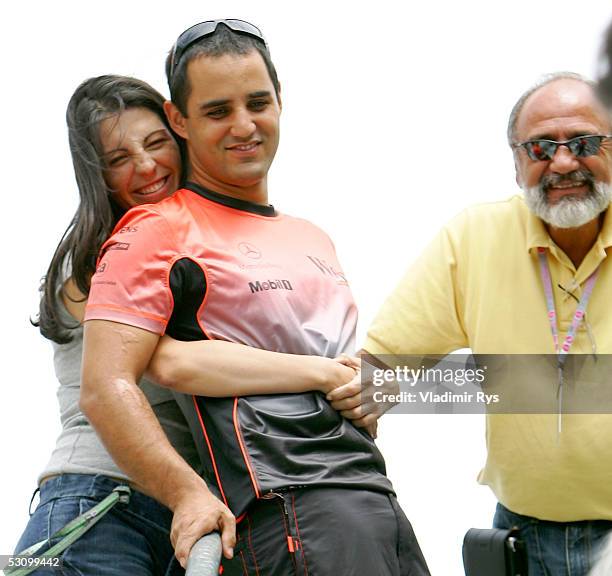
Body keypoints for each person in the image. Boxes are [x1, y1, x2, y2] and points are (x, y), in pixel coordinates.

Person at [82, 19, 430, 575]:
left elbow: (346, 374)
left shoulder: (314, 236)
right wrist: (186, 493)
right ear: (180, 121)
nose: (243, 126)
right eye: (218, 111)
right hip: (288, 510)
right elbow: (105, 387)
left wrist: (371, 390)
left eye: (257, 103)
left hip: (380, 504)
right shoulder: (156, 229)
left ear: (280, 102)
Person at [15, 74, 359, 575]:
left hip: (188, 515)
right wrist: (323, 372)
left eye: (156, 143)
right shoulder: (100, 262)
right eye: (118, 160)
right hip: (94, 504)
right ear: (97, 177)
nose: (147, 165)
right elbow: (166, 363)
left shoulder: (194, 253)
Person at [331, 72, 612, 576]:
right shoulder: (475, 236)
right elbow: (385, 364)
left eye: (585, 142)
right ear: (517, 161)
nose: (563, 162)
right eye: (541, 147)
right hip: (525, 539)